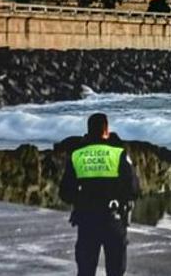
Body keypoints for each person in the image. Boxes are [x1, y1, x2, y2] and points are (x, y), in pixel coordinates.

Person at [59, 113, 139, 276]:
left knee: (86, 270)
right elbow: (134, 189)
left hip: (87, 220)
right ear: (106, 130)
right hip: (113, 218)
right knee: (115, 270)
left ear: (88, 130)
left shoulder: (77, 155)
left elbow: (65, 192)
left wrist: (83, 199)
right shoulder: (118, 153)